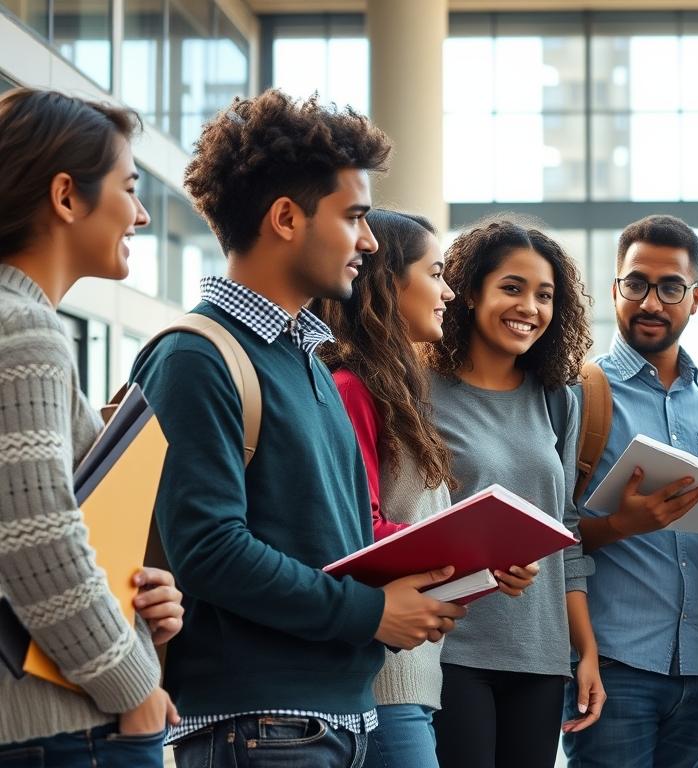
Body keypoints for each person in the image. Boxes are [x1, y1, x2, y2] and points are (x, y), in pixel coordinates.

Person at [130, 90, 462, 767]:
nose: (369, 242)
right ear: (286, 218)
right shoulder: (196, 356)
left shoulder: (306, 359)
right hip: (262, 726)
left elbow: (335, 542)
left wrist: (447, 573)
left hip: (336, 718)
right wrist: (373, 614)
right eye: (354, 217)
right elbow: (210, 551)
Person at [0, 86, 185, 768]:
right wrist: (134, 685)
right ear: (66, 197)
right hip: (61, 730)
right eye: (129, 189)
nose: (140, 214)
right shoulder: (24, 330)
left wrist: (132, 598)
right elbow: (35, 539)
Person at [315, 208, 524, 767]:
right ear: (387, 283)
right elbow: (356, 529)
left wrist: (487, 564)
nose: (448, 293)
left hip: (413, 679)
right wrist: (473, 550)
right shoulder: (351, 387)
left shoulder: (398, 390)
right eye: (434, 274)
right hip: (383, 681)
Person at [427, 218, 601, 767]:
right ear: (469, 292)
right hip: (451, 648)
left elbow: (564, 530)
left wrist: (585, 649)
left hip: (540, 654)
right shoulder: (418, 390)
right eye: (511, 287)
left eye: (544, 295)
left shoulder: (558, 398)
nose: (529, 307)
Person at [563, 215, 698, 768]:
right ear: (615, 288)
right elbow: (546, 535)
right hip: (613, 665)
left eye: (671, 288)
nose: (651, 303)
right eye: (636, 284)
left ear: (695, 298)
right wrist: (621, 526)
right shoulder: (576, 393)